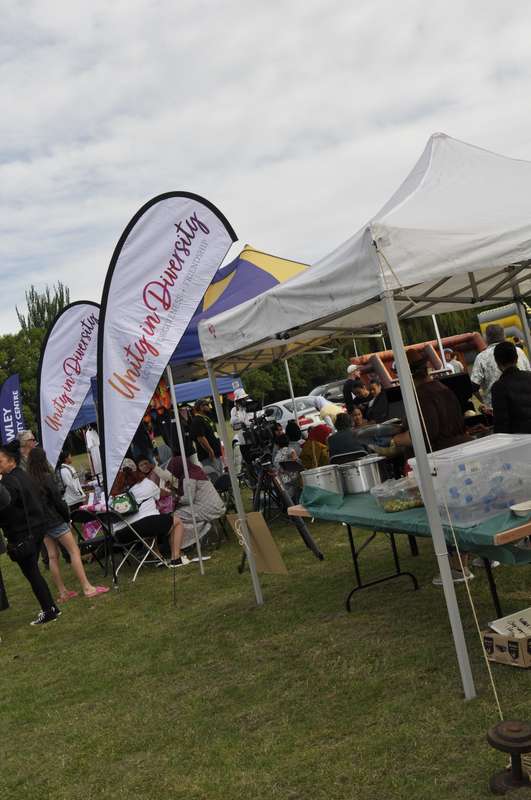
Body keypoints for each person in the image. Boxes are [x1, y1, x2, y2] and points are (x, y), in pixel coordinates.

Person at [27, 447, 109, 602]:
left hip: (42, 524)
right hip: (55, 520)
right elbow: (58, 501)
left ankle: (63, 592)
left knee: (52, 556)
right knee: (74, 551)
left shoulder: (29, 481)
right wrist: (67, 518)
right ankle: (87, 587)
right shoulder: (46, 478)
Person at [0, 440, 59, 625]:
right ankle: (52, 607)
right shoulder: (24, 475)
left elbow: (7, 509)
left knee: (32, 573)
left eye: (0, 461)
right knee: (34, 572)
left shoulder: (9, 481)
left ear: (11, 461)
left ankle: (48, 610)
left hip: (23, 533)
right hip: (37, 528)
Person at [111, 459, 190, 569]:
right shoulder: (146, 484)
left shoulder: (112, 492)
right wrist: (171, 492)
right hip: (144, 526)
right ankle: (176, 558)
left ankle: (158, 558)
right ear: (136, 470)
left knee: (148, 524)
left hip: (121, 534)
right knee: (176, 522)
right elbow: (160, 494)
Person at [166, 455, 225, 557]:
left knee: (175, 517)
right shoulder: (194, 471)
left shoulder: (189, 477)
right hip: (215, 505)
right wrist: (174, 490)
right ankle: (184, 544)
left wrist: (175, 497)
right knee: (180, 515)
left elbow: (188, 499)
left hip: (208, 508)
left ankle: (180, 545)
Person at [471, 324, 531, 411]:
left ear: (486, 338)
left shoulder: (481, 357)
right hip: (525, 405)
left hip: (497, 407)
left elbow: (474, 386)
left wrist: (484, 402)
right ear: (504, 335)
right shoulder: (519, 351)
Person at [491, 341, 531, 434]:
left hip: (520, 438)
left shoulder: (498, 387)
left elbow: (501, 423)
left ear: (497, 362)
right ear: (516, 358)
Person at [190, 399, 223, 479]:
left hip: (215, 454)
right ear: (201, 407)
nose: (209, 407)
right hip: (208, 456)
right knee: (215, 477)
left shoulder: (206, 418)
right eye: (206, 405)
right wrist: (210, 451)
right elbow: (200, 438)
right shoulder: (197, 420)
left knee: (220, 476)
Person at [230, 388, 253, 463]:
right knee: (248, 459)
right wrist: (241, 423)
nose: (243, 401)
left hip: (256, 434)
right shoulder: (234, 410)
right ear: (237, 401)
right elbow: (233, 424)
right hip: (244, 438)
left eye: (244, 398)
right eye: (241, 399)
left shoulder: (251, 404)